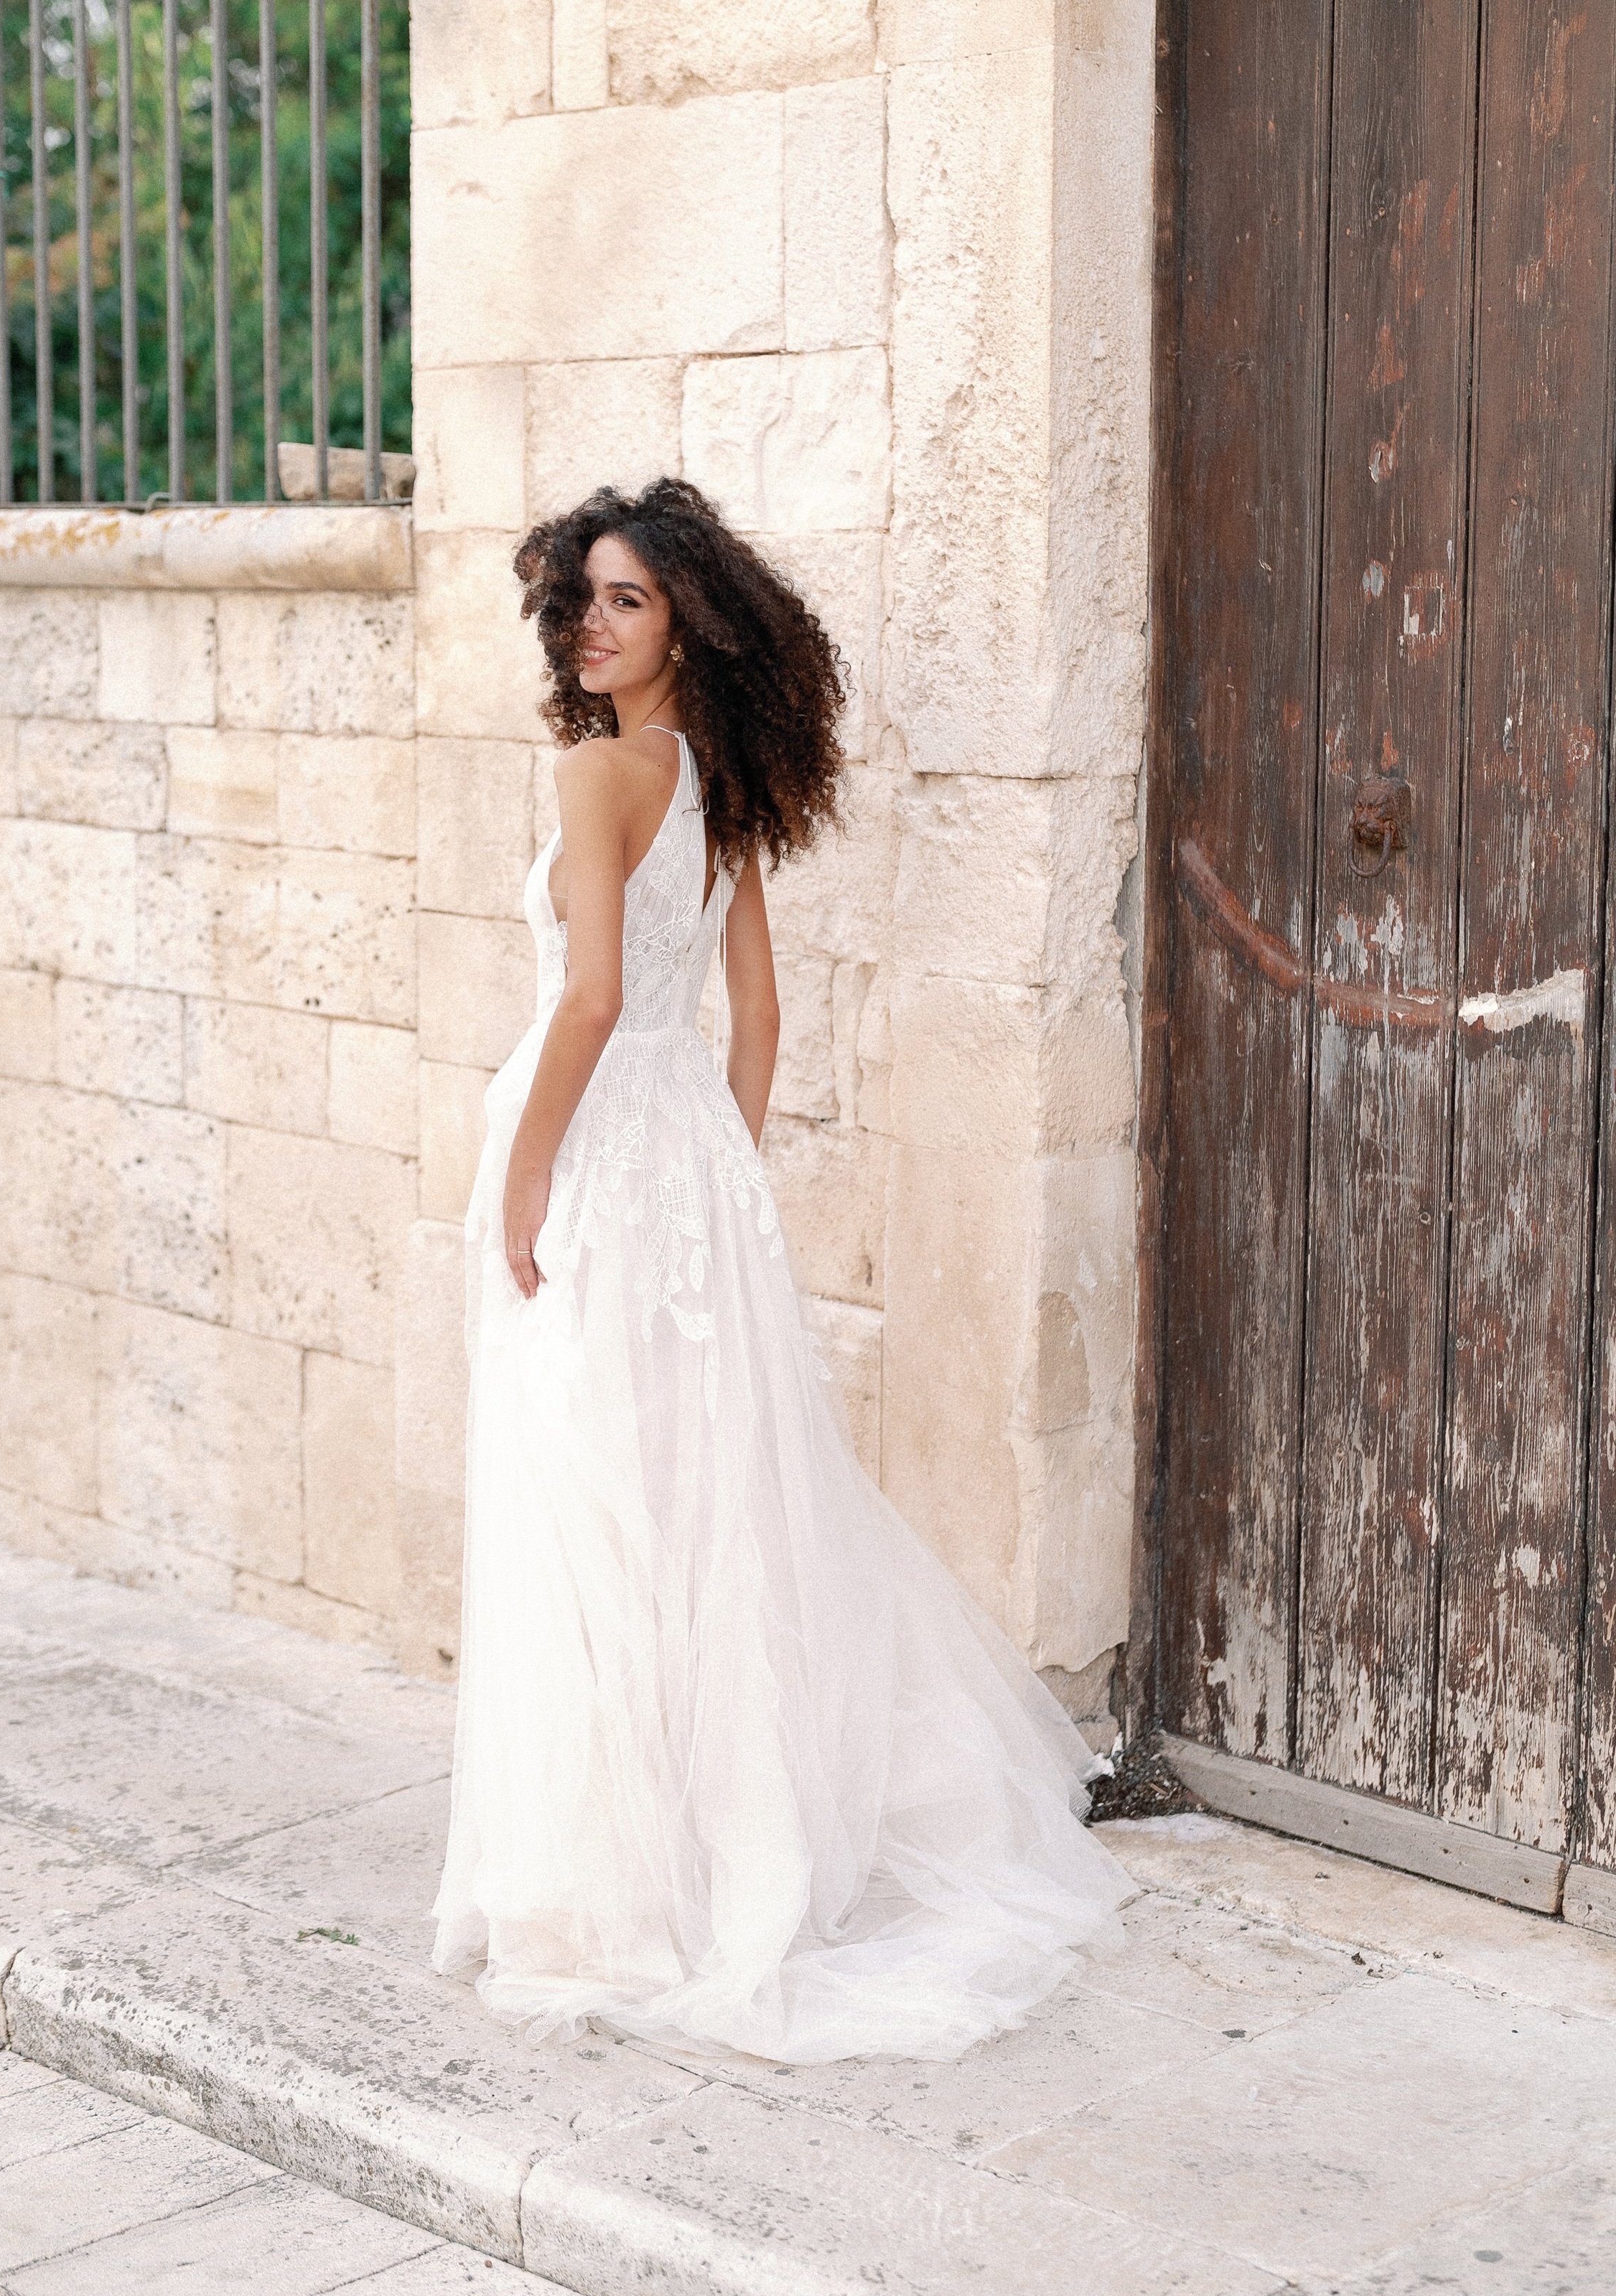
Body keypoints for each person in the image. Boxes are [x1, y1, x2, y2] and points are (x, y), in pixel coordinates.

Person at [429, 477, 1134, 2064]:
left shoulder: (601, 777)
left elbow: (594, 1000)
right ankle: (703, 1843)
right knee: (704, 1501)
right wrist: (717, 1175)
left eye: (627, 600)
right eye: (583, 599)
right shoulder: (718, 789)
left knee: (597, 1502)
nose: (593, 625)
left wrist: (535, 1170)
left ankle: (613, 1889)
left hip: (606, 1157)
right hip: (686, 1166)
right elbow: (749, 1026)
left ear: (688, 619)